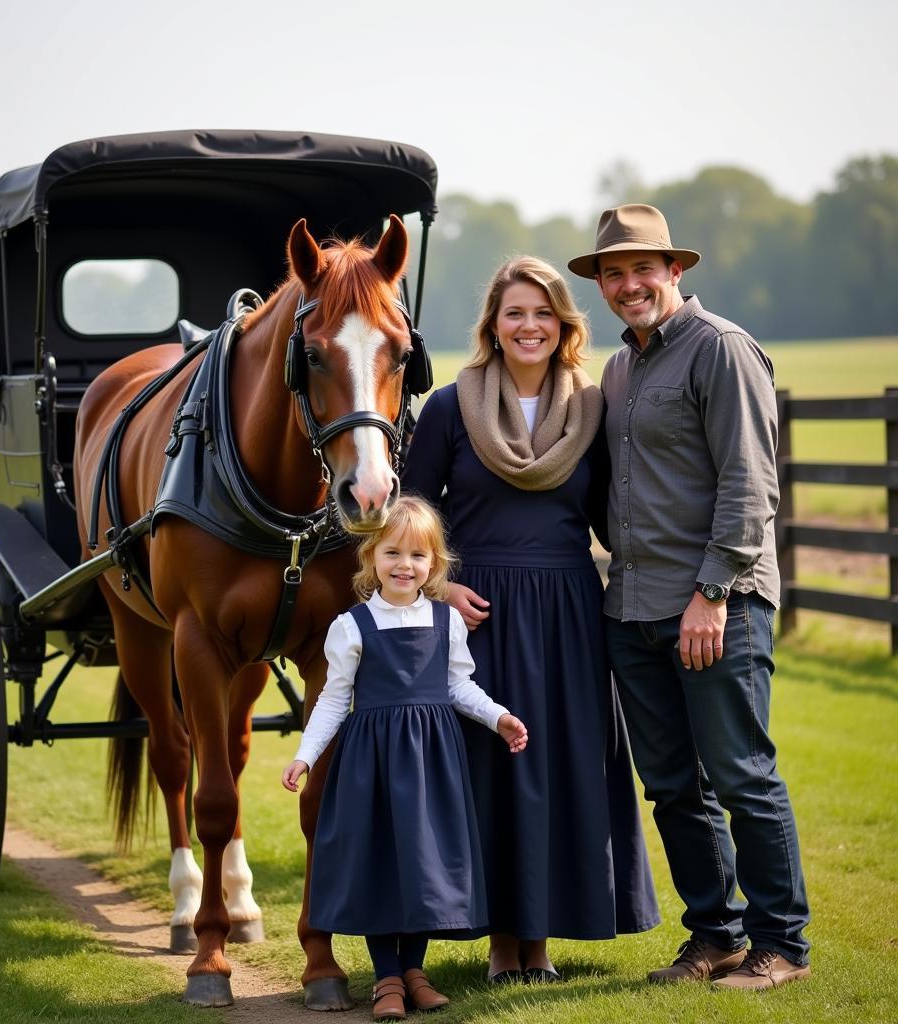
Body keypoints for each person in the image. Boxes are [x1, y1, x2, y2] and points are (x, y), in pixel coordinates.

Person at [568, 203, 812, 990]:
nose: (629, 283)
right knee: (672, 787)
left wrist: (710, 593)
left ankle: (784, 946)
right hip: (632, 608)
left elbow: (751, 482)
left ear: (675, 271)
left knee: (741, 774)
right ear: (602, 285)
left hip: (717, 605)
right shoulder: (620, 368)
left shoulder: (722, 350)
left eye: (644, 268)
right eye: (614, 272)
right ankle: (716, 935)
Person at [402, 256, 660, 985]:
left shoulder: (593, 409)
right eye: (515, 312)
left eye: (543, 313)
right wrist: (441, 586)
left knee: (558, 766)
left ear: (563, 326)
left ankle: (541, 945)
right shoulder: (450, 408)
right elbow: (413, 516)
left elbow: (617, 513)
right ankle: (499, 947)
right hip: (477, 614)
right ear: (493, 324)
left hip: (568, 609)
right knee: (489, 770)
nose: (529, 326)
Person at [282, 495, 528, 1022]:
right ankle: (387, 978)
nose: (404, 565)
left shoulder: (446, 621)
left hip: (432, 765)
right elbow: (332, 699)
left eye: (418, 556)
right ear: (371, 558)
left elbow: (460, 686)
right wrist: (305, 756)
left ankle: (415, 971)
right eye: (392, 552)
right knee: (381, 863)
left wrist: (499, 717)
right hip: (371, 765)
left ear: (433, 565)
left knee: (421, 865)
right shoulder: (351, 626)